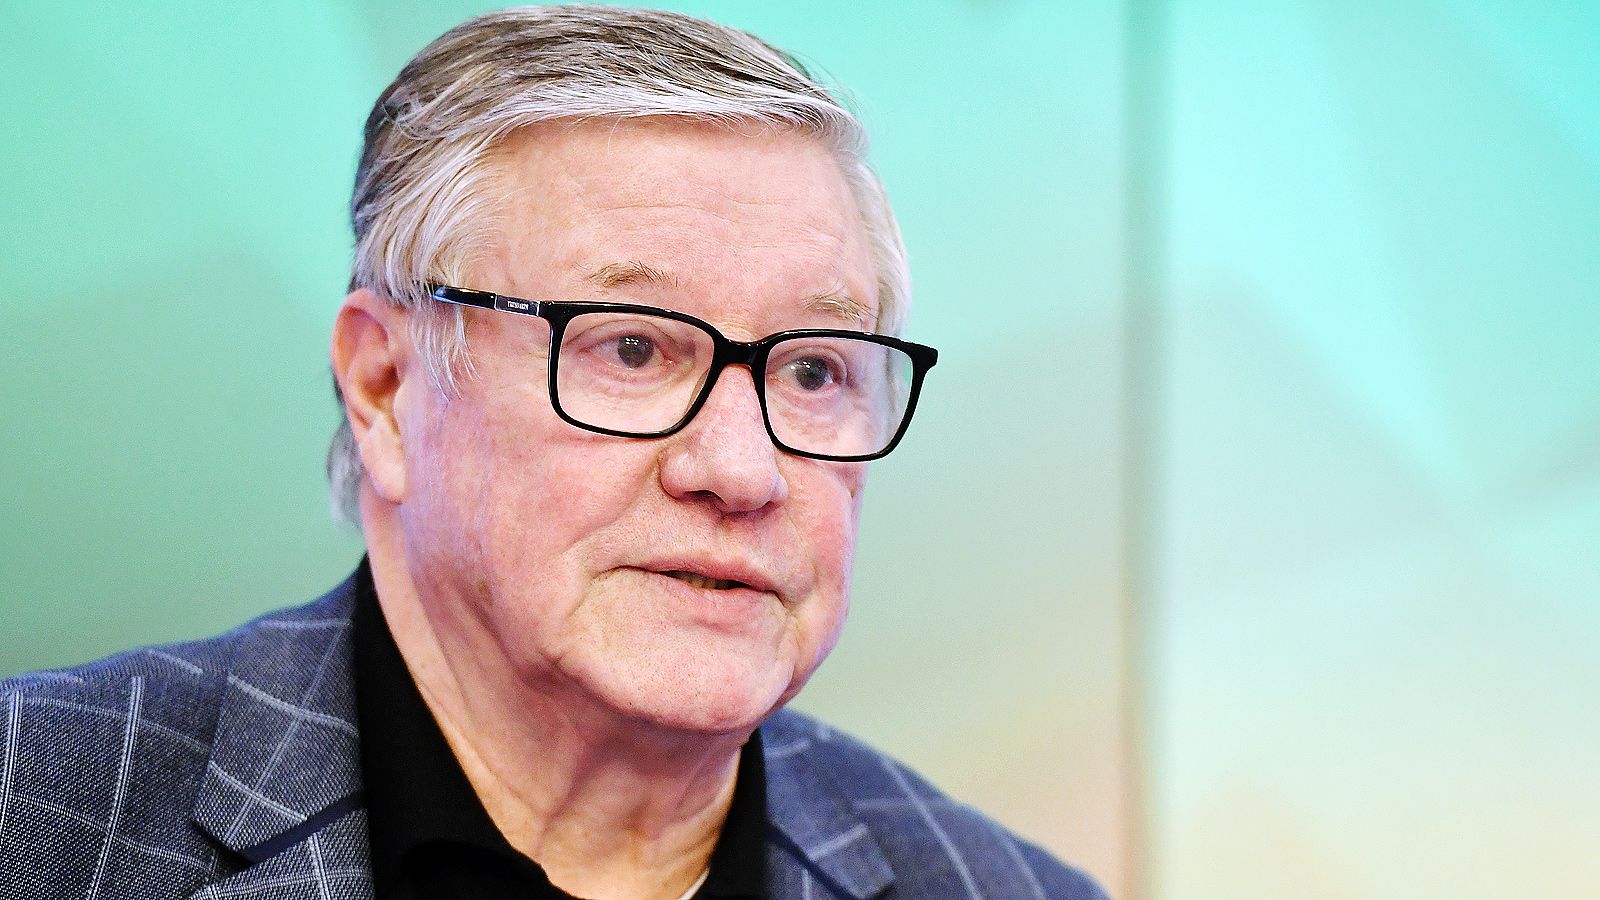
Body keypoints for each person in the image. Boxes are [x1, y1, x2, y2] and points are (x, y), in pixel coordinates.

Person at [0, 6, 1106, 899]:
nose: (742, 471)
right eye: (632, 348)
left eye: (813, 371)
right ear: (385, 389)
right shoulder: (36, 811)